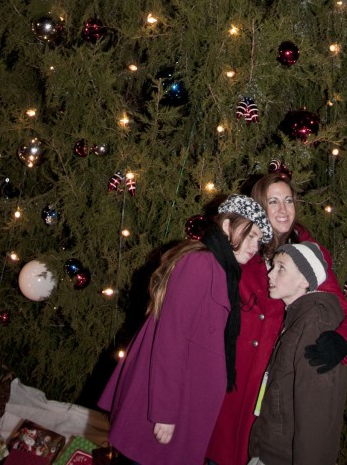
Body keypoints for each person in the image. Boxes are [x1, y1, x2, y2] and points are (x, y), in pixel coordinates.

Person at [205, 164, 347, 465]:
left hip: (271, 391)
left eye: (288, 200)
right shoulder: (241, 249)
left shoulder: (307, 256)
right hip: (230, 386)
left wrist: (343, 341)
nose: (283, 209)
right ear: (258, 207)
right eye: (273, 201)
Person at [98, 194, 273, 465]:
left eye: (258, 240)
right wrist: (165, 412)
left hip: (188, 403)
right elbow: (172, 338)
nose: (254, 246)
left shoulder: (224, 271)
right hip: (166, 408)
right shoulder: (201, 264)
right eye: (250, 235)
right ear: (227, 225)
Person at [247, 242, 347, 465]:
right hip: (268, 451)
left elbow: (317, 412)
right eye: (272, 266)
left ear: (305, 280)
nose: (270, 274)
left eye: (281, 268)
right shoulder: (297, 318)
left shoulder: (315, 325)